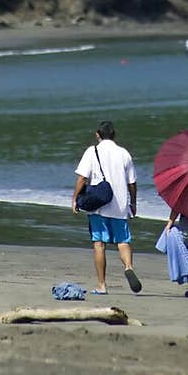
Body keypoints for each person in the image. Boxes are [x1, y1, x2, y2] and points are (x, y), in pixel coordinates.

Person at [73, 120, 141, 295]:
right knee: (123, 241)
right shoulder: (124, 153)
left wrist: (75, 199)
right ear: (114, 135)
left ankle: (102, 285)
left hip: (99, 205)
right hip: (120, 205)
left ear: (98, 135)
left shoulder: (92, 151)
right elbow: (132, 183)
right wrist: (133, 203)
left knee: (99, 243)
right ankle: (128, 266)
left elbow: (82, 178)